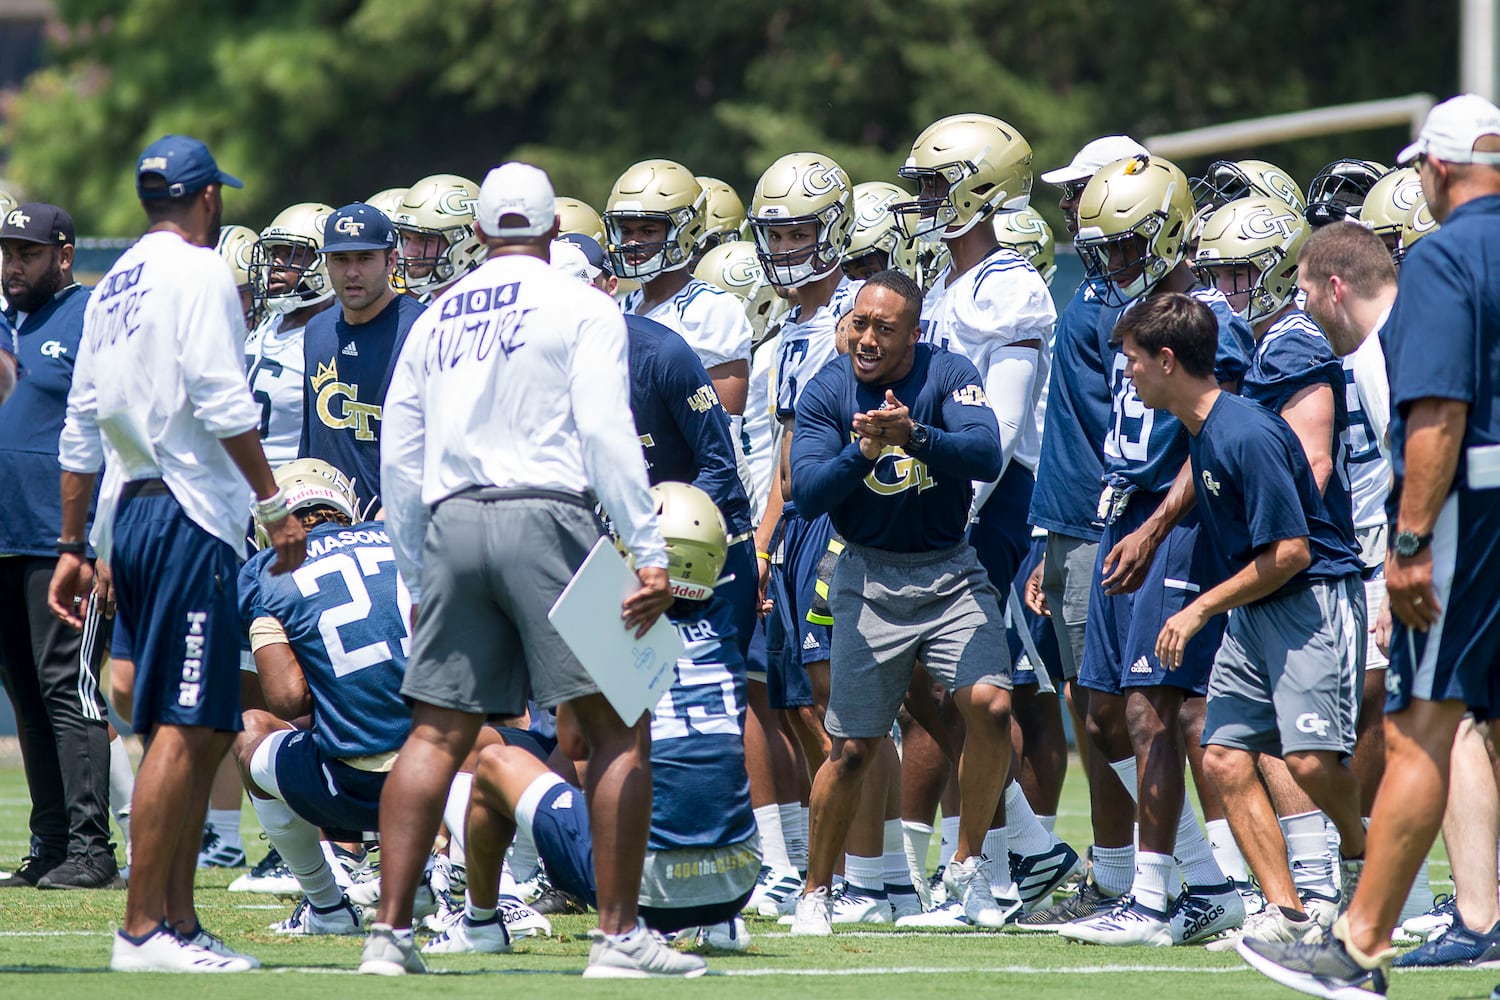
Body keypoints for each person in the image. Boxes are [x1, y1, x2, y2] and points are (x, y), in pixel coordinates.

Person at [372, 161, 698, 978]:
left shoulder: (435, 315)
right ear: (554, 232)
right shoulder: (582, 304)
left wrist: (413, 571)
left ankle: (388, 934)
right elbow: (605, 431)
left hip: (451, 521)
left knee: (436, 733)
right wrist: (648, 552)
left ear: (479, 234)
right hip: (549, 515)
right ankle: (620, 936)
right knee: (622, 721)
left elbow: (398, 456)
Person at [1241, 94, 1500, 1000]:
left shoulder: (1443, 258)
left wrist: (1412, 540)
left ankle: (1359, 945)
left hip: (1479, 501)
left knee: (1427, 720)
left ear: (1433, 169)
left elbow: (1435, 411)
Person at [49, 134, 307, 972]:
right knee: (188, 722)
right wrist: (272, 504)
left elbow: (81, 423)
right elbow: (220, 393)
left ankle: (180, 920)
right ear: (206, 200)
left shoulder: (113, 281)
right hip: (191, 511)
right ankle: (142, 931)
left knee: (192, 722)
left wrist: (77, 544)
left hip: (134, 512)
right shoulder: (201, 271)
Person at [1121, 292, 1366, 951]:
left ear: (1167, 361)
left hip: (1308, 599)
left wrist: (1200, 607)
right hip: (1254, 609)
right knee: (1226, 758)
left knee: (1311, 762)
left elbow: (1292, 552)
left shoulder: (1243, 433)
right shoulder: (1206, 429)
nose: (1127, 374)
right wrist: (1151, 534)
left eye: (1133, 361)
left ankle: (1368, 864)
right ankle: (1285, 913)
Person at [437, 482, 756, 965]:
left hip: (642, 885)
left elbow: (573, 743)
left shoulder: (608, 617)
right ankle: (719, 919)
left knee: (495, 763)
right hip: (737, 877)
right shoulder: (724, 627)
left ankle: (480, 924)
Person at [786, 268, 1016, 933]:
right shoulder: (826, 389)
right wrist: (864, 450)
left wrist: (913, 435)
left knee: (992, 707)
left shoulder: (948, 373)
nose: (866, 339)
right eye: (859, 323)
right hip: (867, 574)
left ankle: (969, 863)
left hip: (949, 568)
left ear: (916, 333)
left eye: (885, 329)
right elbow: (806, 493)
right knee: (853, 748)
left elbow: (984, 450)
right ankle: (815, 892)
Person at [1062, 152, 1253, 948]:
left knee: (1153, 709)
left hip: (1174, 525)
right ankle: (1206, 884)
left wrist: (1153, 526)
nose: (1116, 265)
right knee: (1103, 711)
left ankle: (1151, 899)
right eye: (1104, 250)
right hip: (1121, 514)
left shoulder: (1209, 321)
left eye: (1131, 248)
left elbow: (1214, 440)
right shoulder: (1130, 318)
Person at [1017, 135, 1150, 930]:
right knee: (1086, 704)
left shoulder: (1141, 303)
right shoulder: (1093, 297)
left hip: (1108, 525)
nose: (1070, 204)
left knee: (1116, 709)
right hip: (1066, 523)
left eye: (1084, 188)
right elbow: (1064, 431)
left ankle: (1182, 874)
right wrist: (1045, 534)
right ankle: (1117, 873)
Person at [1297, 221, 1443, 939]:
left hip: (1414, 547)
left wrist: (1399, 565)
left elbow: (1412, 461)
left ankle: (1408, 898)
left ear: (1335, 286)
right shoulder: (1391, 338)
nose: (1305, 313)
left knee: (1421, 723)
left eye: (1306, 294)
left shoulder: (1385, 349)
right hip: (1408, 543)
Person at [0, 202, 119, 891]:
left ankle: (91, 849)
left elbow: (111, 430)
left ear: (64, 255)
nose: (14, 267)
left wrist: (98, 540)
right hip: (5, 540)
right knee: (25, 695)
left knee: (68, 691)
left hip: (62, 543)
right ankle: (48, 847)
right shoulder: (3, 320)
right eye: (8, 254)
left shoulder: (90, 317)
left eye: (28, 253)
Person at [232, 459, 388, 936]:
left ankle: (326, 906)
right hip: (443, 783)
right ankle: (488, 888)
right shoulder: (403, 543)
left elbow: (287, 701)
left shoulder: (267, 571)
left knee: (252, 734)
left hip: (349, 787)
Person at [605, 159, 753, 429]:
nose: (632, 243)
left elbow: (721, 427)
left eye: (648, 230)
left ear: (686, 230)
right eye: (626, 231)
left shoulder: (711, 308)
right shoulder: (623, 306)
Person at [300, 202, 427, 514]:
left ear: (392, 260)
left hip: (402, 522)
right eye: (340, 259)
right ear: (326, 264)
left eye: (365, 258)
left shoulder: (423, 329)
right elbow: (311, 442)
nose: (352, 272)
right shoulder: (317, 330)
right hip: (329, 526)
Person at [245, 202, 337, 466]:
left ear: (326, 265)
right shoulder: (268, 323)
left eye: (292, 255)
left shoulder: (329, 338)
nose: (276, 264)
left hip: (289, 488)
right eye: (274, 253)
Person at [389, 174, 486, 303]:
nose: (408, 252)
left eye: (424, 240)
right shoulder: (423, 307)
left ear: (470, 243)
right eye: (406, 238)